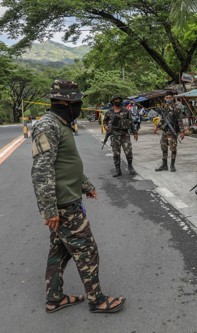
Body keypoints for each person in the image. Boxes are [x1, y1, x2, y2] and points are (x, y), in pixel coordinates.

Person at [31, 80, 126, 314]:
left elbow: (66, 164)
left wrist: (85, 185)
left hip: (68, 199)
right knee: (87, 251)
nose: (79, 105)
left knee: (59, 252)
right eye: (76, 102)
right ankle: (97, 300)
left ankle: (54, 298)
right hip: (64, 205)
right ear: (64, 102)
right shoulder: (47, 126)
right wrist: (49, 210)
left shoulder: (61, 124)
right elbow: (41, 171)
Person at [103, 96, 138, 177]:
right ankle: (118, 170)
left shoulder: (126, 111)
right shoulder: (109, 112)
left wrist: (135, 132)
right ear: (112, 102)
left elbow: (131, 122)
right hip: (114, 135)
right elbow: (105, 121)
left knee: (128, 151)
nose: (118, 101)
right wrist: (105, 126)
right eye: (116, 100)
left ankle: (130, 166)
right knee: (116, 153)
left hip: (125, 134)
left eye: (119, 100)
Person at [154, 91, 185, 172]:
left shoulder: (176, 108)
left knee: (173, 148)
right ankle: (164, 165)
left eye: (170, 97)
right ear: (164, 98)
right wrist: (157, 127)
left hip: (172, 131)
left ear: (173, 98)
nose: (168, 99)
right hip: (165, 131)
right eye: (167, 98)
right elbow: (162, 119)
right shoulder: (164, 108)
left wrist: (182, 131)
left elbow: (179, 120)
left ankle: (172, 165)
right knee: (163, 148)